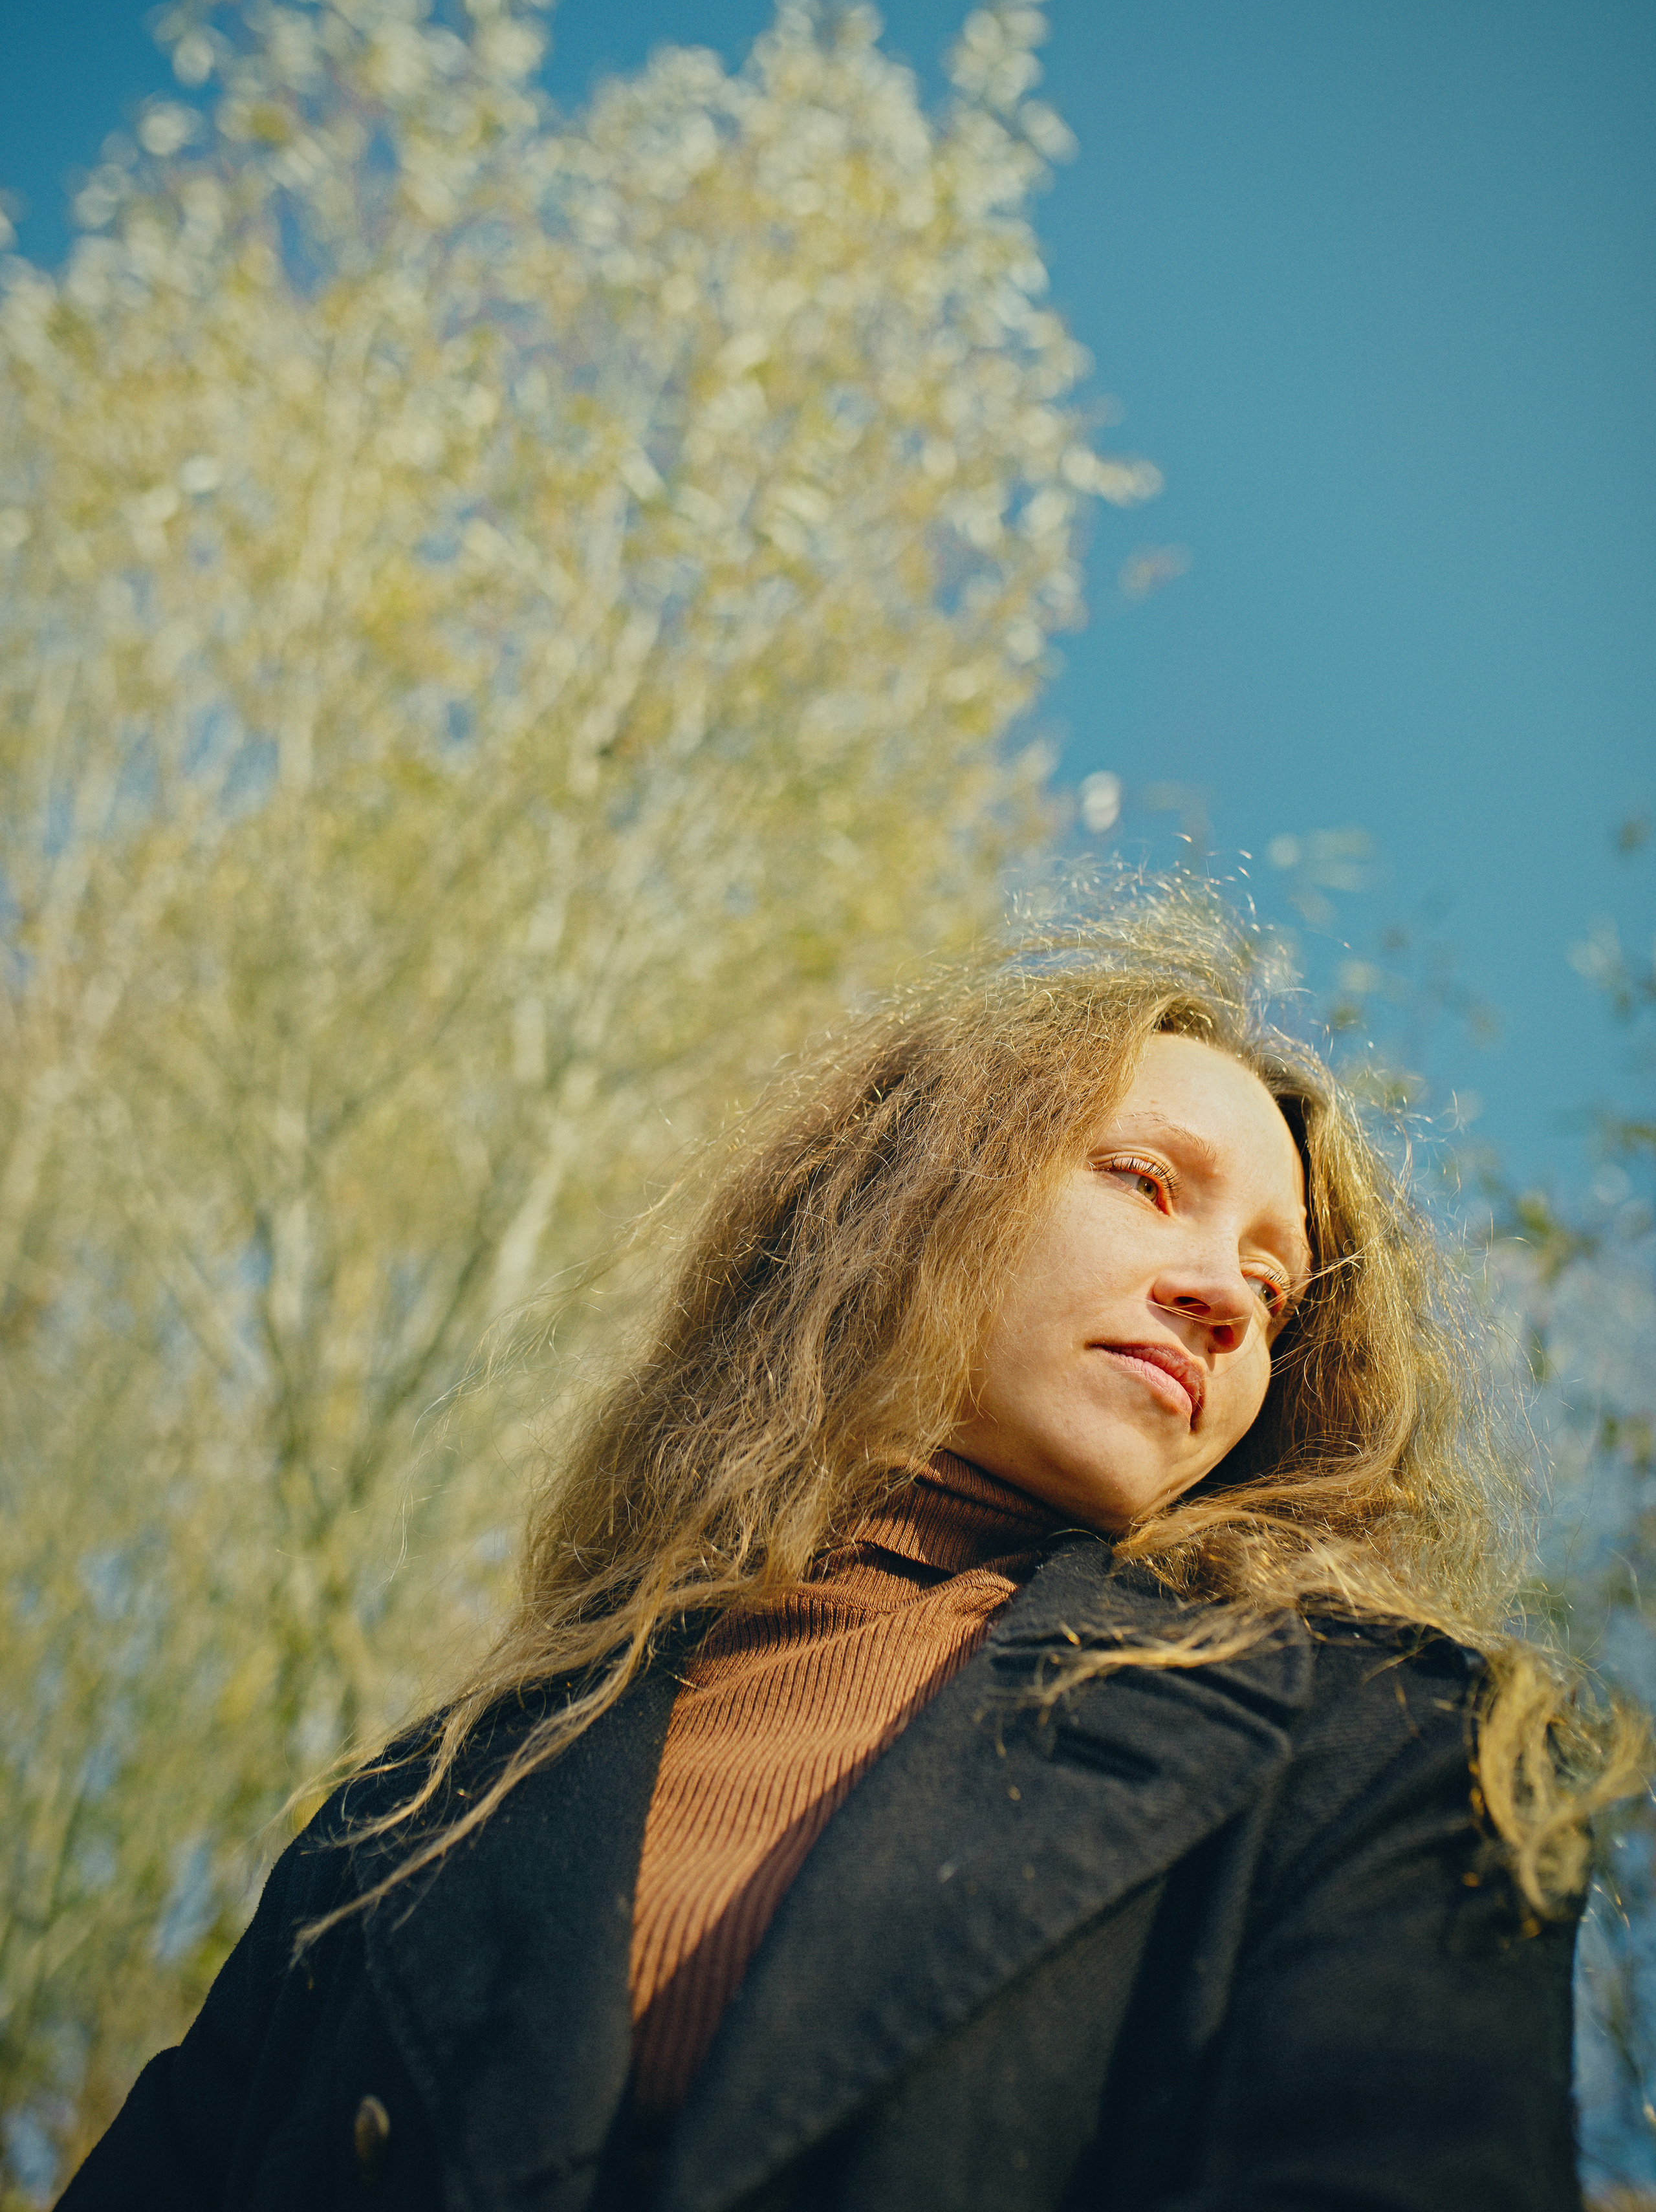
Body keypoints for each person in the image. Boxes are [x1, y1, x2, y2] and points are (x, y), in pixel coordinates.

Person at [63, 890, 1630, 2211]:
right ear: (909, 1198)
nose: (1225, 1296)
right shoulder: (417, 1811)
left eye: (1275, 1292)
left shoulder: (1393, 1747)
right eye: (1146, 1183)